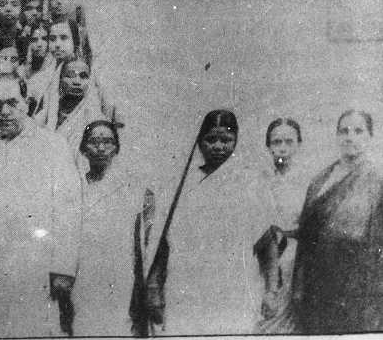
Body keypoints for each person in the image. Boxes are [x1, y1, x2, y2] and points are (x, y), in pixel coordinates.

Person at [0, 73, 82, 338]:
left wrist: (63, 268)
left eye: (12, 103)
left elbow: (68, 210)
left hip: (32, 265)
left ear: (28, 104)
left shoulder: (53, 146)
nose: (4, 111)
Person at [145, 110, 269, 335]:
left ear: (236, 141)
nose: (218, 146)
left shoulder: (250, 183)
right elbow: (163, 241)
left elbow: (266, 241)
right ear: (200, 142)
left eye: (226, 140)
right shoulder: (182, 182)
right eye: (211, 139)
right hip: (187, 283)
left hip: (234, 285)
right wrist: (154, 286)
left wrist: (271, 291)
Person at [290, 110, 383, 333]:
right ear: (336, 135)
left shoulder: (377, 181)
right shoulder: (320, 179)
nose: (350, 137)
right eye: (344, 131)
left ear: (370, 136)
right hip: (316, 282)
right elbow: (306, 235)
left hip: (357, 286)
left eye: (358, 131)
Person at [72, 121, 155, 337]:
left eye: (107, 142)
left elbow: (145, 236)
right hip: (83, 270)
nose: (101, 148)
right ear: (83, 148)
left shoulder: (132, 188)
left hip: (118, 271)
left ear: (116, 148)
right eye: (93, 142)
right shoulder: (74, 186)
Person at [255, 117, 308, 333]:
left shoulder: (309, 181)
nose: (282, 148)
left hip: (293, 256)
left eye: (289, 142)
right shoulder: (258, 180)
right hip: (262, 256)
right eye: (277, 142)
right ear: (268, 146)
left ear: (299, 144)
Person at [35, 59, 120, 170]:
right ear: (59, 80)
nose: (76, 81)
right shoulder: (45, 116)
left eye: (83, 76)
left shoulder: (96, 118)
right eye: (70, 76)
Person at [21, 21, 56, 105]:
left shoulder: (55, 69)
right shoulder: (21, 70)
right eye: (34, 40)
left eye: (44, 39)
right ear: (29, 43)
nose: (39, 44)